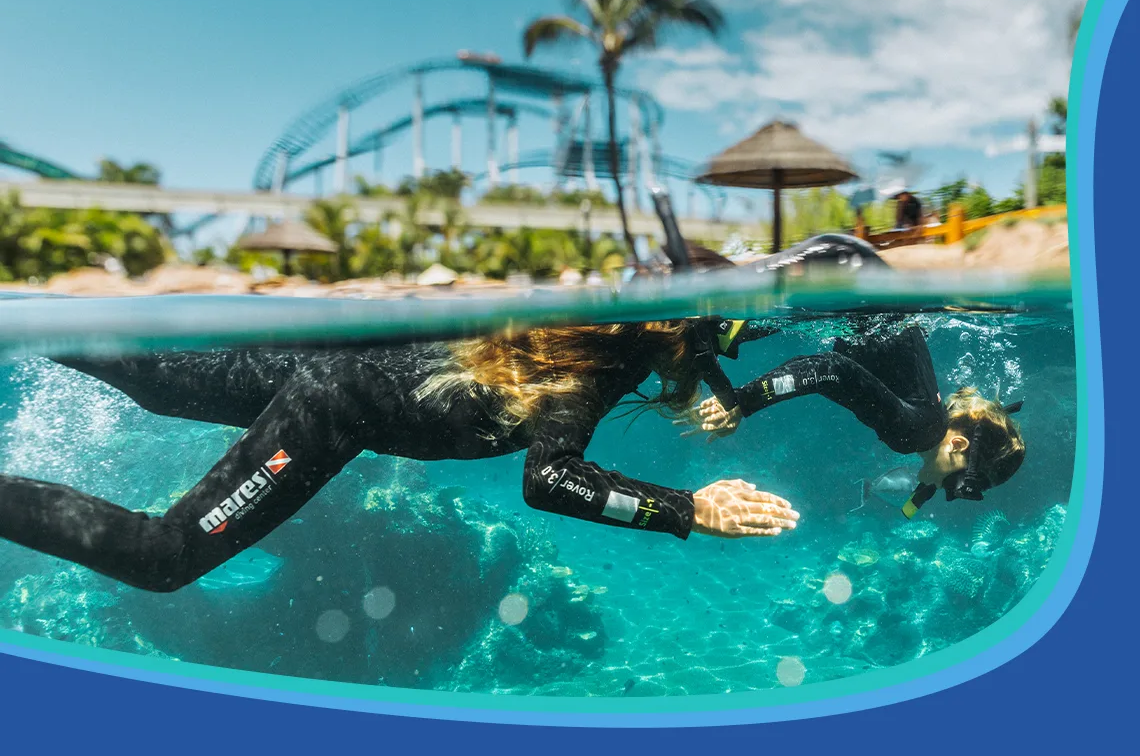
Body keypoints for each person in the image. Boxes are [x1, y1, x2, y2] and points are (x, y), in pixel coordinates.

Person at [0, 321, 801, 593]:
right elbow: (549, 478)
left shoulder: (600, 334)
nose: (723, 351)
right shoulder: (600, 364)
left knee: (151, 381)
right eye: (724, 334)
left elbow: (691, 347)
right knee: (162, 554)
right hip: (335, 404)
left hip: (339, 362)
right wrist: (687, 509)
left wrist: (726, 390)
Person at [679, 326, 1025, 518]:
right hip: (851, 292)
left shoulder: (928, 414)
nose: (944, 492)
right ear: (958, 445)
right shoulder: (916, 433)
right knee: (700, 336)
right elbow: (832, 370)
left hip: (851, 292)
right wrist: (743, 402)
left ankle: (717, 328)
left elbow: (836, 368)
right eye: (955, 485)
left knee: (723, 334)